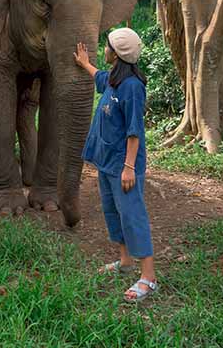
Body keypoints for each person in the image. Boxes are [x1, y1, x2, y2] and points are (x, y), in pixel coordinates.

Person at [73, 28, 157, 303]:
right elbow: (99, 77)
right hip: (107, 162)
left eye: (107, 46)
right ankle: (125, 261)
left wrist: (129, 167)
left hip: (124, 166)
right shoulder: (114, 79)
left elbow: (135, 131)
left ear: (116, 53)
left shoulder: (132, 87)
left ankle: (149, 277)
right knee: (114, 213)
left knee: (132, 215)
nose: (104, 50)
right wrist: (85, 63)